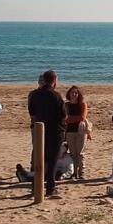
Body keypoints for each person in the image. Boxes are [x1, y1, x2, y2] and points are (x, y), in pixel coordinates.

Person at [27, 69, 67, 199]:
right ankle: (50, 187)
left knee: (40, 159)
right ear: (54, 80)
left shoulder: (35, 94)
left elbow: (31, 112)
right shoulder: (56, 95)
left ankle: (35, 186)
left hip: (40, 130)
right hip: (55, 131)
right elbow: (63, 114)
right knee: (52, 160)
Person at [64, 86, 89, 180]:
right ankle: (74, 173)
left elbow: (82, 117)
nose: (74, 94)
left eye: (76, 93)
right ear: (69, 94)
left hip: (80, 131)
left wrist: (69, 119)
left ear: (79, 95)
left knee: (80, 153)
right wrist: (70, 119)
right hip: (69, 131)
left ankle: (81, 172)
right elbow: (64, 119)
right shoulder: (66, 105)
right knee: (73, 153)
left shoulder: (82, 104)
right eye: (72, 92)